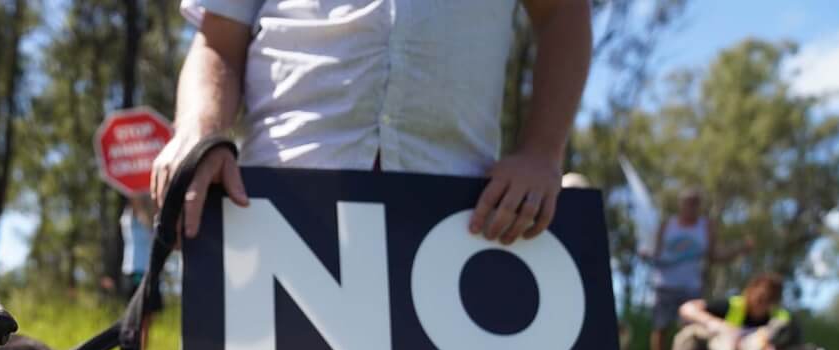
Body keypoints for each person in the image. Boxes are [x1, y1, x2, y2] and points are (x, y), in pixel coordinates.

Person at [151, 0, 592, 246]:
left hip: (461, 218)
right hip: (274, 211)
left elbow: (564, 13)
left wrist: (541, 151)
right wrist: (200, 130)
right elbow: (219, 43)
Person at [645, 188, 751, 350]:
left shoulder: (705, 226)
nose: (691, 206)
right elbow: (655, 252)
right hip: (665, 284)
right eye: (687, 202)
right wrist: (647, 255)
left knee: (691, 329)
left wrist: (740, 249)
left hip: (691, 286)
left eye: (695, 202)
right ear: (680, 204)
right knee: (660, 327)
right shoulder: (668, 225)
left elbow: (715, 255)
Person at [120, 194, 155, 300]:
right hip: (133, 268)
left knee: (148, 307)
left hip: (146, 268)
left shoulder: (149, 215)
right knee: (133, 305)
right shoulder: (127, 215)